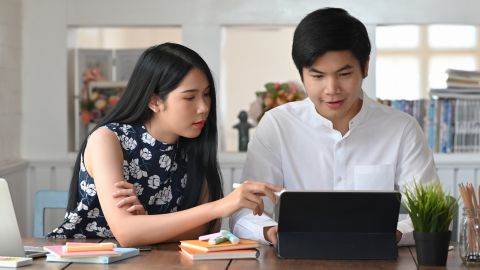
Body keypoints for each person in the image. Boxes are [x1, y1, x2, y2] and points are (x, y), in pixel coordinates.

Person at [230, 7, 437, 247]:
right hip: (297, 259)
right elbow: (244, 212)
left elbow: (432, 214)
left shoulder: (402, 129)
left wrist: (394, 234)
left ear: (365, 66)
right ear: (301, 74)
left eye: (344, 74)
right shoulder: (277, 125)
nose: (332, 89)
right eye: (318, 76)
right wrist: (270, 231)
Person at [48, 43, 282, 247]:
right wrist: (222, 205)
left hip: (148, 260)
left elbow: (205, 230)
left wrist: (147, 228)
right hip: (81, 259)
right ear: (154, 101)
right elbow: (128, 233)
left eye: (207, 94)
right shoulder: (107, 139)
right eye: (190, 97)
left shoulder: (192, 146)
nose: (203, 107)